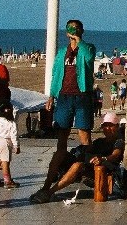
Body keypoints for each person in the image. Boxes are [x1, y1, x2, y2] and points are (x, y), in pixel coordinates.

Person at [30, 20, 95, 203]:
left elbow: (89, 59)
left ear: (82, 30)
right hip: (64, 97)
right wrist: (51, 95)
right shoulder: (61, 53)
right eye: (70, 28)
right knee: (61, 141)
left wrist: (79, 41)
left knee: (85, 140)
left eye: (76, 28)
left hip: (82, 96)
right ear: (66, 32)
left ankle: (85, 172)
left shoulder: (88, 48)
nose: (73, 30)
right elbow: (56, 74)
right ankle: (47, 184)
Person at [30, 112, 125, 203]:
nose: (107, 129)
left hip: (101, 170)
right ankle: (45, 188)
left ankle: (49, 193)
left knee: (77, 165)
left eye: (110, 125)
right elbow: (87, 150)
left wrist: (104, 159)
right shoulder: (99, 141)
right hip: (88, 165)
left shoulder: (118, 141)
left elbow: (115, 154)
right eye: (105, 126)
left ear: (116, 127)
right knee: (59, 154)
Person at [0, 101, 20, 188]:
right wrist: (16, 146)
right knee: (5, 163)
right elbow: (14, 135)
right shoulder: (11, 123)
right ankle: (7, 181)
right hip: (5, 143)